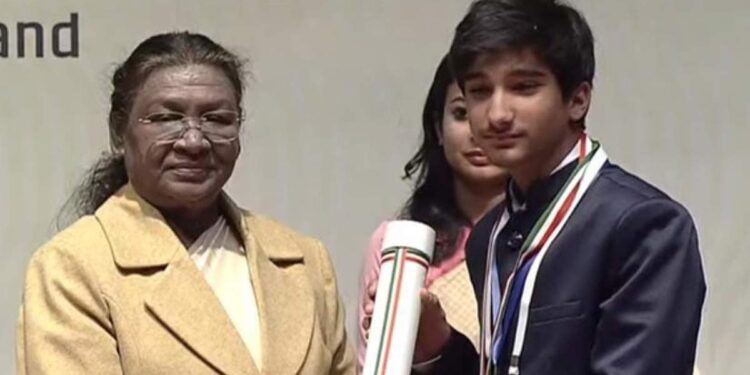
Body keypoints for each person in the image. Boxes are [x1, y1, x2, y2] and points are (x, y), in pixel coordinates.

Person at [16, 32, 355, 375]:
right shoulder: (73, 267)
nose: (194, 140)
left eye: (217, 119)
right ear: (119, 133)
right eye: (167, 118)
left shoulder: (304, 261)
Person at [416, 1, 706, 374]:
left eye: (523, 87)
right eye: (479, 91)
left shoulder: (645, 226)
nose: (497, 114)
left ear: (577, 99)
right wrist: (437, 346)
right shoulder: (488, 237)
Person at [357, 55, 508, 369]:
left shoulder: (550, 234)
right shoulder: (398, 242)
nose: (478, 130)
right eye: (462, 113)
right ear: (438, 127)